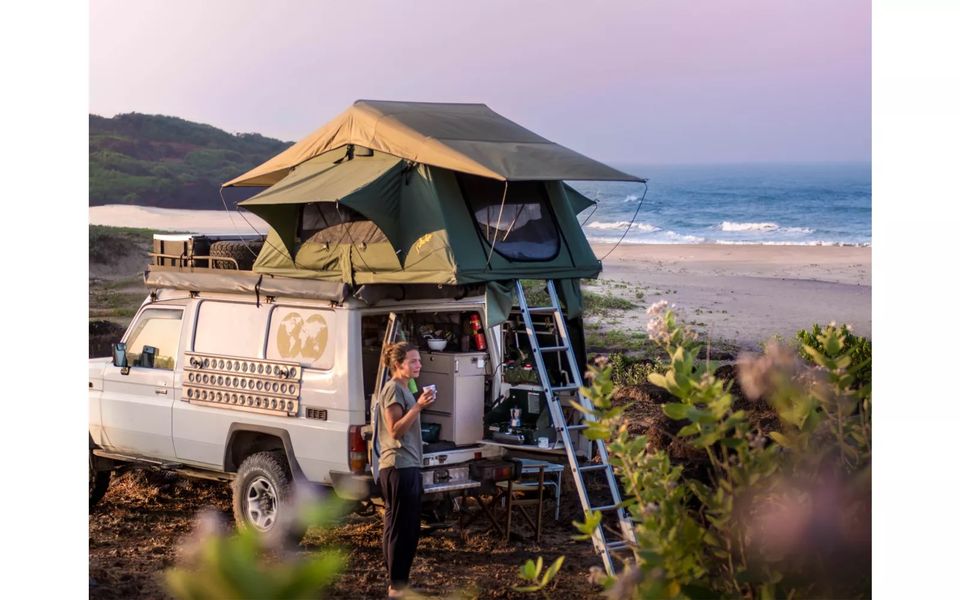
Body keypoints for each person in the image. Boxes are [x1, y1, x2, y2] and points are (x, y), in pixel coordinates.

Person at [377, 341, 436, 598]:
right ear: (398, 364)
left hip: (401, 466)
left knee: (395, 525)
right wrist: (418, 407)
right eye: (413, 361)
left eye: (419, 360)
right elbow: (395, 429)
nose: (419, 365)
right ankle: (397, 587)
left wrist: (418, 402)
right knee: (405, 528)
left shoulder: (403, 387)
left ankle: (395, 581)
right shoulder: (392, 389)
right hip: (400, 466)